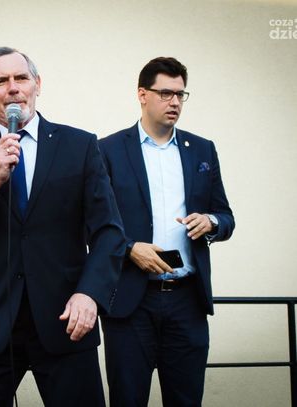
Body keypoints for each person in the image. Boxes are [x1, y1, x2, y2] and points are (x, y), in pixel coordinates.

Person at [0, 46, 125, 407]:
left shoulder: (80, 146)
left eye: (21, 78)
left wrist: (90, 294)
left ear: (37, 84)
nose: (13, 88)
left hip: (66, 318)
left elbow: (109, 232)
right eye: (0, 81)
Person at [99, 57, 235, 406]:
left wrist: (211, 223)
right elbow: (92, 223)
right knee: (128, 399)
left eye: (180, 94)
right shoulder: (107, 150)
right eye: (165, 93)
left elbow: (226, 217)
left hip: (187, 301)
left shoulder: (202, 149)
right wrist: (129, 248)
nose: (174, 102)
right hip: (130, 302)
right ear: (142, 94)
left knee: (186, 400)